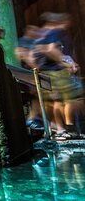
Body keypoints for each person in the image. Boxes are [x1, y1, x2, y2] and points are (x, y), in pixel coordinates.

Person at [33, 12, 83, 140]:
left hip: (44, 72)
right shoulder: (52, 32)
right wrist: (63, 62)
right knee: (65, 100)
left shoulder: (42, 34)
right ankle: (64, 128)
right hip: (53, 72)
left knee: (53, 102)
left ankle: (56, 129)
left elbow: (41, 50)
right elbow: (49, 49)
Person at [15, 25, 44, 130]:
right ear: (28, 31)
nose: (36, 32)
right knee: (36, 93)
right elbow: (21, 54)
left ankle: (38, 119)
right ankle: (31, 119)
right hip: (27, 75)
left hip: (32, 74)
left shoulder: (33, 42)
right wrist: (35, 66)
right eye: (34, 30)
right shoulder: (24, 41)